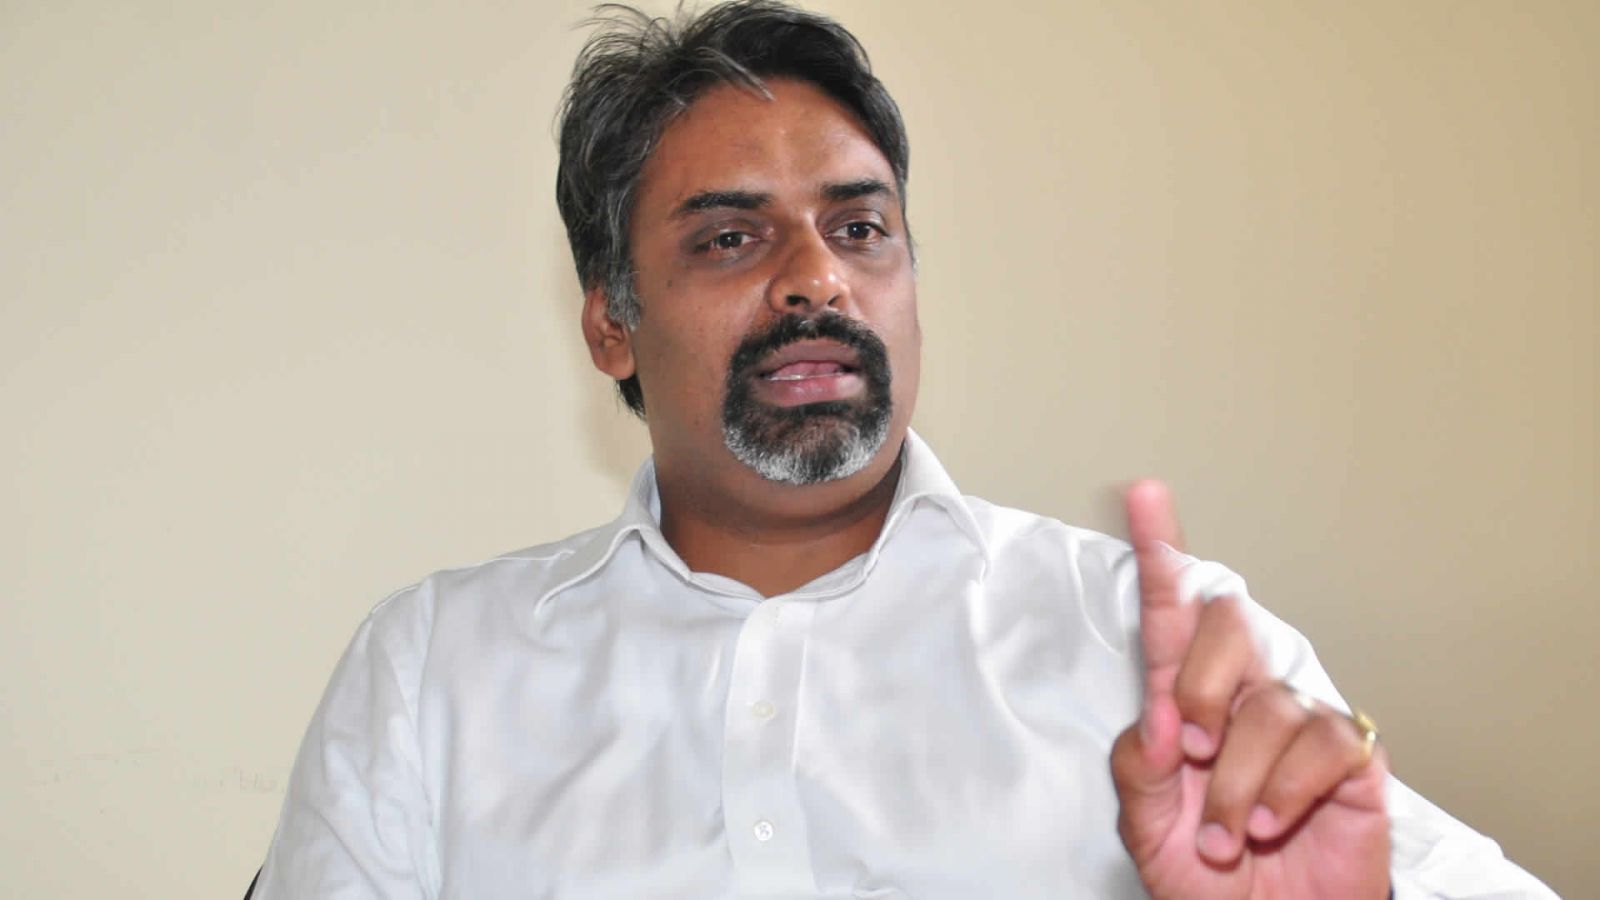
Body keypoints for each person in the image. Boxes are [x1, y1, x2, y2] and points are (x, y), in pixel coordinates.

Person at [251, 2, 1556, 897]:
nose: (817, 277)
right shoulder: (431, 674)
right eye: (730, 237)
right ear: (611, 325)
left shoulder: (1162, 652)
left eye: (861, 228)